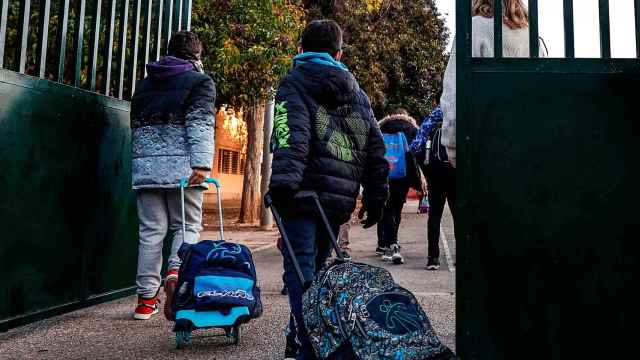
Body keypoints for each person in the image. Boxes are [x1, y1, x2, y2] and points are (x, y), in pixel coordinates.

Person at [267, 19, 389, 360]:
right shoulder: (357, 92)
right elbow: (375, 147)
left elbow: (291, 134)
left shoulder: (293, 82)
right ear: (339, 53)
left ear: (301, 50)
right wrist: (377, 196)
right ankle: (301, 334)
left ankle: (313, 344)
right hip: (337, 201)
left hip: (301, 195)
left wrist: (282, 186)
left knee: (300, 270)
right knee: (316, 272)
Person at [129, 31, 216, 320]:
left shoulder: (143, 85)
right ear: (197, 56)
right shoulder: (200, 82)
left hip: (147, 170)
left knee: (150, 233)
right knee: (187, 225)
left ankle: (145, 301)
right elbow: (201, 124)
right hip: (185, 171)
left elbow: (138, 129)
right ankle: (176, 274)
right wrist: (202, 164)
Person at [441, 0, 540, 167]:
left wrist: (453, 149)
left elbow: (454, 97)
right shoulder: (532, 36)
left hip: (482, 151)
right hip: (528, 151)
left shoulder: (472, 29)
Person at [410, 98, 456, 270]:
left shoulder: (433, 117)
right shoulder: (459, 115)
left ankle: (433, 258)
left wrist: (427, 171)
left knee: (434, 217)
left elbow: (415, 147)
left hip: (436, 178)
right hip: (455, 174)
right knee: (459, 216)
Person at [377, 110, 423, 264]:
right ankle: (393, 243)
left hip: (384, 174)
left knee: (387, 209)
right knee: (397, 208)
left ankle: (389, 244)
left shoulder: (381, 128)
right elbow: (418, 151)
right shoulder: (411, 129)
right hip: (403, 176)